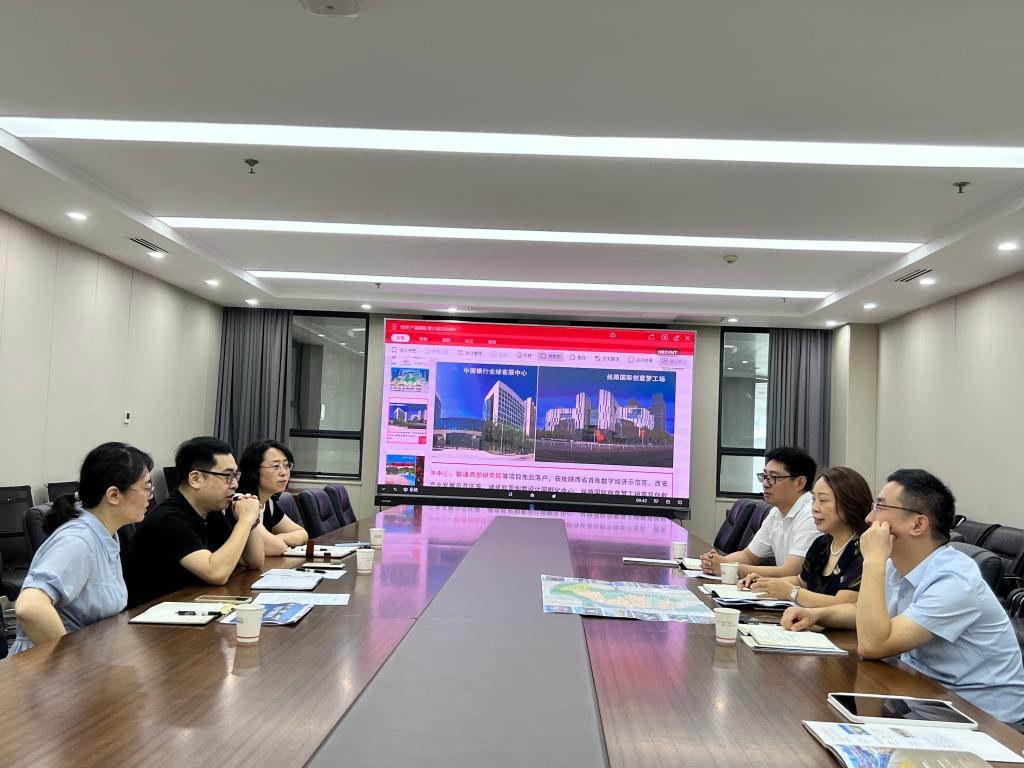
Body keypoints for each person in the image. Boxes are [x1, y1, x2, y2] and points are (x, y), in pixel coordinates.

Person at [782, 469, 1024, 728]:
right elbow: (864, 612)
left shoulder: (955, 580)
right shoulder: (896, 565)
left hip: (984, 722)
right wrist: (817, 615)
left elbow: (873, 645)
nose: (869, 518)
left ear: (918, 524)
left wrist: (873, 560)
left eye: (880, 508)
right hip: (922, 698)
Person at [10, 442, 154, 655]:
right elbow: (30, 607)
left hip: (92, 658)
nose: (150, 496)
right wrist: (71, 661)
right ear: (114, 495)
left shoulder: (106, 535)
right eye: (146, 488)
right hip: (47, 667)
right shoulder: (79, 540)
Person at [124, 436, 264, 607]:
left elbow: (253, 561)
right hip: (152, 615)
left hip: (190, 604)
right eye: (228, 476)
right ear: (195, 479)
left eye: (236, 475)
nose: (235, 484)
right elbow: (216, 573)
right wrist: (245, 520)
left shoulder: (211, 512)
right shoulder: (168, 519)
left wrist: (251, 523)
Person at [738, 466, 871, 607]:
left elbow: (843, 604)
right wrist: (765, 583)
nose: (814, 508)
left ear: (850, 504)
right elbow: (802, 582)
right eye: (813, 499)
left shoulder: (863, 549)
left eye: (823, 500)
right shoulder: (821, 544)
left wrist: (792, 592)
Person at [700, 446, 820, 579]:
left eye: (773, 477)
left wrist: (727, 567)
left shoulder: (811, 516)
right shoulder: (775, 513)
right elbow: (749, 556)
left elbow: (791, 572)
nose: (765, 484)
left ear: (800, 483)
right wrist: (715, 562)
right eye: (764, 476)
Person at [236, 439, 308, 556]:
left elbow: (302, 534)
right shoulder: (242, 501)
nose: (284, 472)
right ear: (253, 471)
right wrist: (277, 542)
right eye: (275, 466)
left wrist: (277, 538)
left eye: (286, 465)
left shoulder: (268, 502)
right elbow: (276, 548)